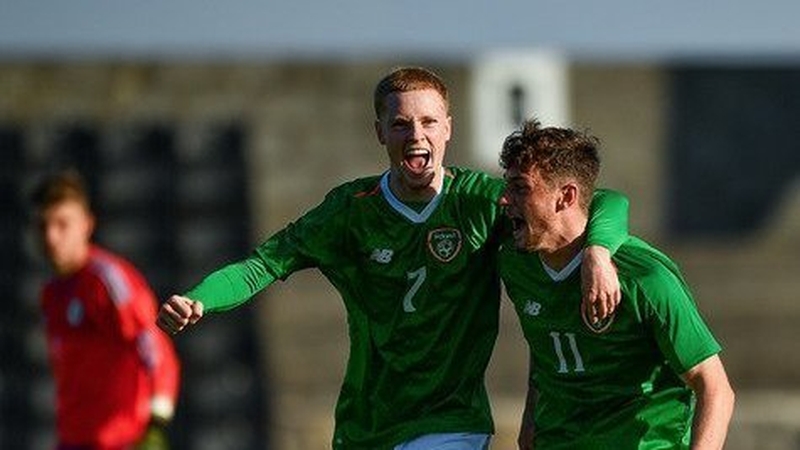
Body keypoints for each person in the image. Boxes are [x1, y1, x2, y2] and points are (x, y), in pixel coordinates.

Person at [157, 67, 628, 450]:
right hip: (368, 421)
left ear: (448, 128)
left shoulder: (481, 201)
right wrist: (200, 299)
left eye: (427, 122)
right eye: (400, 123)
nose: (415, 134)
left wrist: (598, 252)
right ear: (379, 131)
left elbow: (604, 200)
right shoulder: (350, 211)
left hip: (452, 420)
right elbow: (263, 264)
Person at [497, 119, 735, 449]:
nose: (504, 200)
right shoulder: (515, 262)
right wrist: (530, 421)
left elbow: (715, 387)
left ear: (566, 196)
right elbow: (546, 348)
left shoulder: (645, 279)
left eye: (520, 188)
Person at [32, 170, 181, 450]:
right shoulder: (51, 294)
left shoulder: (108, 281)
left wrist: (156, 424)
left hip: (122, 441)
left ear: (87, 225)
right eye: (43, 226)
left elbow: (155, 346)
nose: (51, 237)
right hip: (73, 441)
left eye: (62, 224)